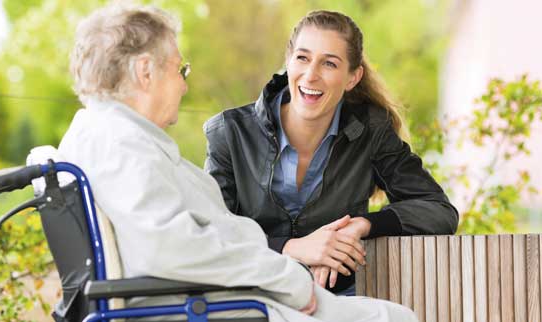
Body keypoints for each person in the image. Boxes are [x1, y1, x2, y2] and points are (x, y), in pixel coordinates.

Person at [58, 4, 418, 321]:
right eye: (178, 71)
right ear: (146, 71)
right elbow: (171, 249)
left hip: (230, 298)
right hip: (219, 307)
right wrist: (291, 280)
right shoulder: (119, 145)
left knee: (393, 315)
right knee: (394, 318)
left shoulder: (113, 138)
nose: (183, 87)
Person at [204, 10, 458, 296]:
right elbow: (211, 233)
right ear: (288, 62)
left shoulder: (370, 131)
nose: (311, 74)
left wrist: (361, 226)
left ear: (352, 77)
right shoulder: (230, 132)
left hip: (337, 300)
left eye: (329, 63)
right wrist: (293, 248)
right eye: (302, 58)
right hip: (253, 297)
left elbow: (439, 211)